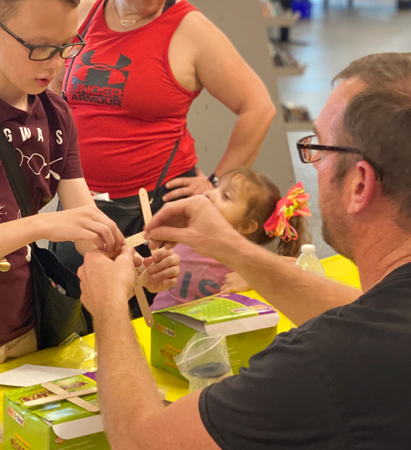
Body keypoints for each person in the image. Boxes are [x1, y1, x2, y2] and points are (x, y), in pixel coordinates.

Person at [78, 52, 411, 449]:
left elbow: (142, 441)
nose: (315, 167)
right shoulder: (385, 326)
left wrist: (110, 308)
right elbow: (363, 313)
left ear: (360, 185)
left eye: (319, 150)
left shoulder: (322, 366)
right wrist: (233, 248)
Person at [0, 0, 179, 373]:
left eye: (67, 46)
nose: (55, 63)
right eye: (40, 48)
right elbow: (53, 225)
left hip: (30, 333)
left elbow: (87, 229)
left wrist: (133, 269)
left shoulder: (55, 114)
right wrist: (41, 225)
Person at [49, 0, 276, 278]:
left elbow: (258, 108)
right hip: (80, 198)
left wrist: (216, 182)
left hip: (154, 207)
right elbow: (57, 87)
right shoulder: (84, 12)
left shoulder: (190, 29)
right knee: (73, 304)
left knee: (150, 310)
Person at [152, 167, 311, 310]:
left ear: (246, 226)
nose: (209, 193)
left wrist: (250, 278)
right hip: (156, 328)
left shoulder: (245, 257)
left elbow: (304, 268)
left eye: (225, 196)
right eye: (216, 186)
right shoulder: (185, 231)